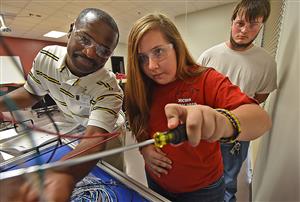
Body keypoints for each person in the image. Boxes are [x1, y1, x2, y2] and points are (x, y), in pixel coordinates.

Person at [125, 13, 272, 202]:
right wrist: (144, 149)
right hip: (156, 182)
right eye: (142, 59)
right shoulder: (142, 85)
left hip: (203, 191)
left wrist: (223, 122)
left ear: (176, 46)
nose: (152, 66)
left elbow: (260, 119)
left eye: (158, 52)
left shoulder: (205, 79)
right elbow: (137, 118)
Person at [0, 8, 124, 201]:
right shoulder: (46, 57)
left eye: (103, 50)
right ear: (71, 30)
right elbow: (31, 93)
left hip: (106, 135)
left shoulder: (109, 89)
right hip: (77, 128)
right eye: (85, 38)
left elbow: (95, 138)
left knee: (113, 183)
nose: (90, 52)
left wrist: (59, 174)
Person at [197, 1, 277, 201]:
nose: (244, 30)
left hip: (237, 134)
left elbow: (260, 96)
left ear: (261, 26)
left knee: (227, 183)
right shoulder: (209, 56)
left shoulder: (266, 62)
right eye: (240, 23)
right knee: (202, 178)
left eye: (253, 25)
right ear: (232, 21)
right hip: (207, 129)